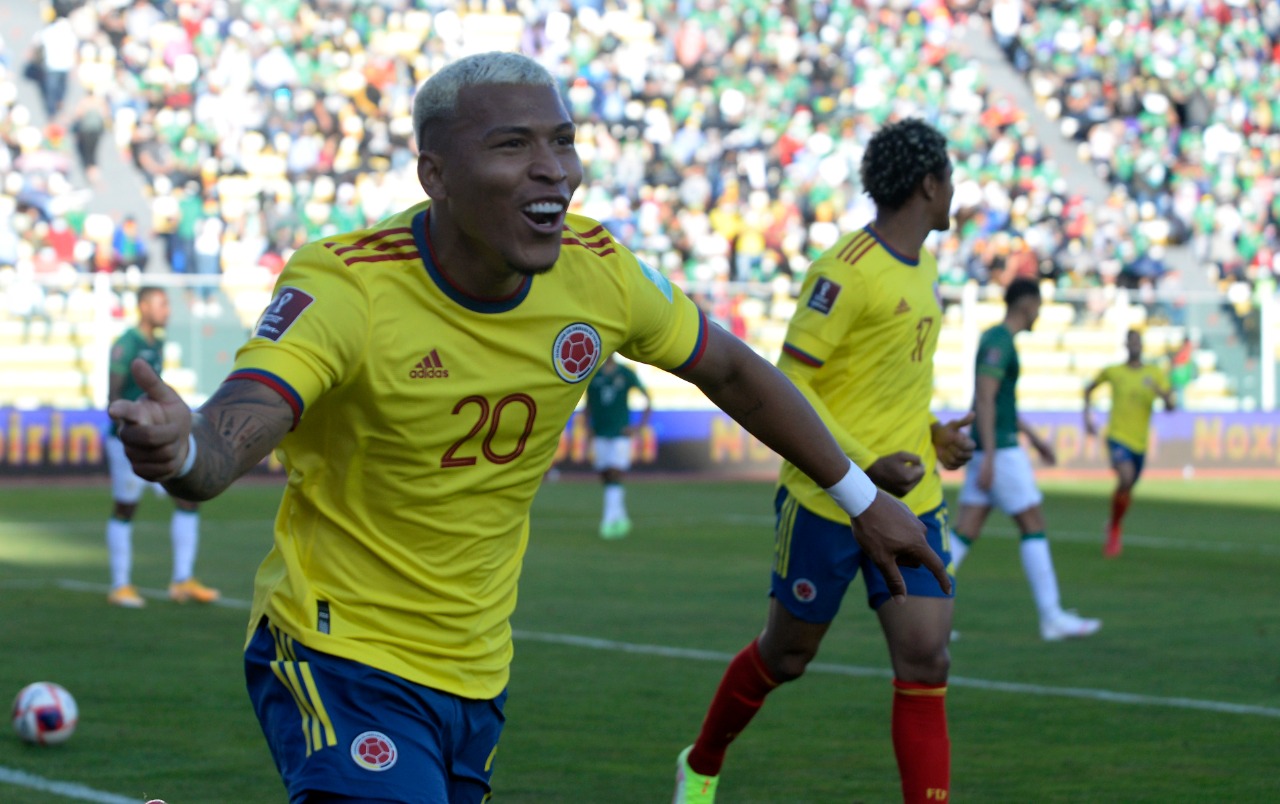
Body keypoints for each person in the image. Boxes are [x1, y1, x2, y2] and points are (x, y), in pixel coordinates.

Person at [108, 52, 947, 804]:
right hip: (338, 646)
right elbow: (233, 431)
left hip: (476, 668)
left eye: (564, 142)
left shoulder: (598, 273)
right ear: (434, 173)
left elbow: (730, 370)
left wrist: (859, 494)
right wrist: (183, 447)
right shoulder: (347, 286)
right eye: (512, 146)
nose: (553, 171)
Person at [673, 119, 974, 804]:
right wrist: (865, 464)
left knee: (927, 656)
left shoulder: (925, 263)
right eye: (950, 177)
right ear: (929, 184)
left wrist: (930, 435)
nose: (954, 190)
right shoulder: (843, 273)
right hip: (827, 500)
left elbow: (882, 381)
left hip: (914, 499)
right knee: (788, 656)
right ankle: (703, 761)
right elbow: (792, 383)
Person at [949, 278, 1101, 641]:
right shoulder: (1000, 343)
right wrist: (987, 456)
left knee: (964, 531)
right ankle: (1051, 617)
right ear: (1026, 303)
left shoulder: (997, 340)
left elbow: (998, 403)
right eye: (1038, 305)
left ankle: (920, 611)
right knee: (1033, 523)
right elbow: (984, 400)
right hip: (998, 451)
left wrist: (1033, 439)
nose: (1039, 313)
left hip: (995, 447)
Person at [104, 287, 220, 609]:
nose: (166, 310)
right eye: (161, 303)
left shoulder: (157, 343)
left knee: (187, 498)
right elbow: (113, 396)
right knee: (126, 507)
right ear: (143, 306)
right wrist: (126, 429)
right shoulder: (126, 345)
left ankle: (182, 580)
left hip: (155, 437)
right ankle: (120, 584)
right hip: (127, 439)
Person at [1083, 329, 1175, 557]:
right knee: (1124, 477)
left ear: (1142, 346)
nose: (1134, 346)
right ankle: (1114, 531)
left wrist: (1158, 391)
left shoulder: (1154, 374)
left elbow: (1172, 406)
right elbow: (1088, 389)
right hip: (1117, 437)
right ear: (1126, 345)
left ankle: (1114, 522)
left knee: (1127, 487)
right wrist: (1087, 416)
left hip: (1140, 443)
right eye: (1131, 342)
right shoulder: (1114, 372)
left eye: (1138, 342)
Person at [583, 353, 651, 539]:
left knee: (615, 471)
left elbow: (647, 399)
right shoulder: (594, 374)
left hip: (620, 433)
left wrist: (639, 428)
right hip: (600, 431)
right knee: (606, 475)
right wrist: (586, 429)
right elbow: (588, 405)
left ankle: (608, 521)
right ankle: (621, 518)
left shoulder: (625, 373)